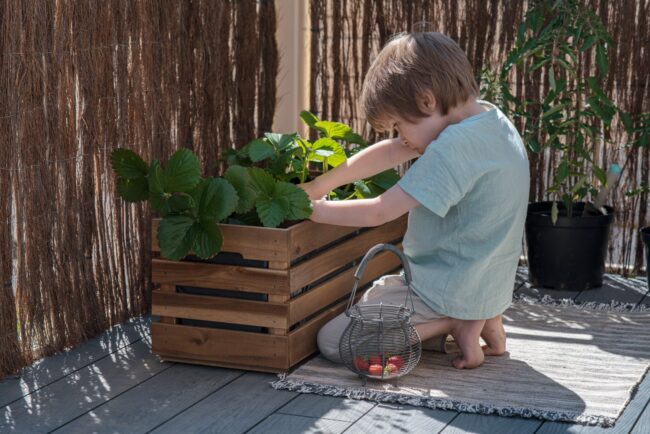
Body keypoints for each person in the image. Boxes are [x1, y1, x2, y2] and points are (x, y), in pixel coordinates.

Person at [299, 31, 530, 369]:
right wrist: (322, 183)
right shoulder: (490, 121)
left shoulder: (453, 149)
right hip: (483, 285)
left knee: (336, 341)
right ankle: (480, 317)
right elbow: (394, 151)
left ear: (426, 101)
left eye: (398, 125)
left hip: (441, 290)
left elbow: (380, 211)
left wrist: (313, 210)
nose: (400, 137)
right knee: (376, 305)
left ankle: (453, 322)